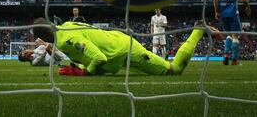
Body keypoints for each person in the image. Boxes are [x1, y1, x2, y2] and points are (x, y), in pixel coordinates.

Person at [32, 18, 222, 76]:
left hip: (125, 50)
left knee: (174, 70)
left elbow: (99, 59)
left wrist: (86, 72)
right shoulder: (67, 25)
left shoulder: (67, 40)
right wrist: (82, 66)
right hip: (117, 45)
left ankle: (197, 30)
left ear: (42, 38)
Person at [214, 0, 251, 66]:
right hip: (233, 13)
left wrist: (217, 11)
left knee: (229, 35)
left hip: (223, 13)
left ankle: (225, 55)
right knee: (235, 35)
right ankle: (234, 60)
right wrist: (248, 6)